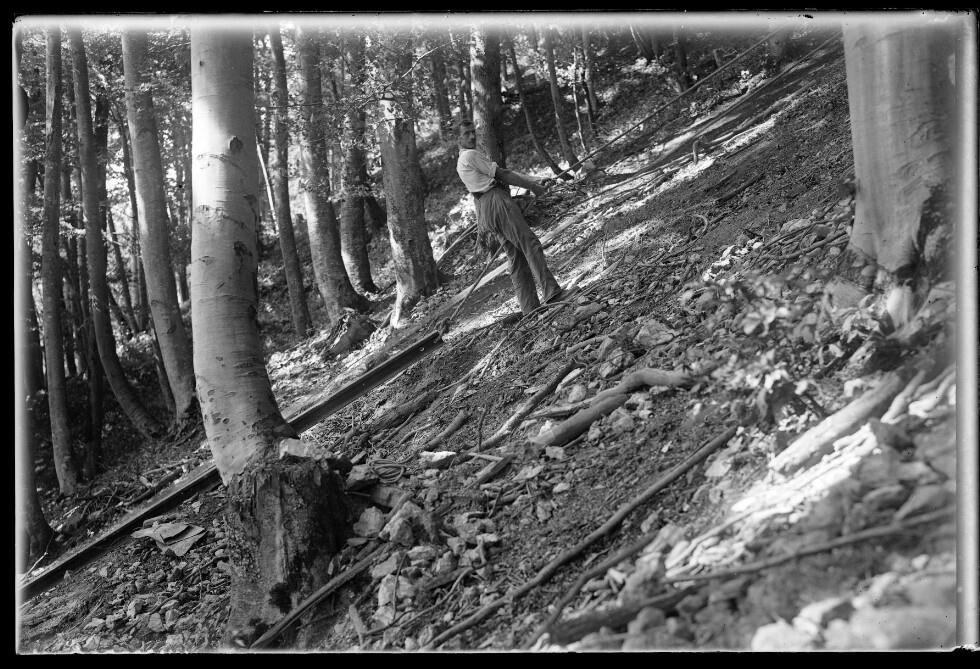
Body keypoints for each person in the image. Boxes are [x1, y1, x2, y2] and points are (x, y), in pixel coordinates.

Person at [455, 120, 565, 315]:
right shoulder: (470, 155)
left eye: (473, 132)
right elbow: (503, 174)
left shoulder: (460, 162)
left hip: (486, 208)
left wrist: (536, 180)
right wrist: (534, 186)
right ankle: (552, 293)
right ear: (458, 138)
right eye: (466, 134)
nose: (472, 136)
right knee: (529, 243)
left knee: (516, 256)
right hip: (496, 201)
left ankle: (530, 308)